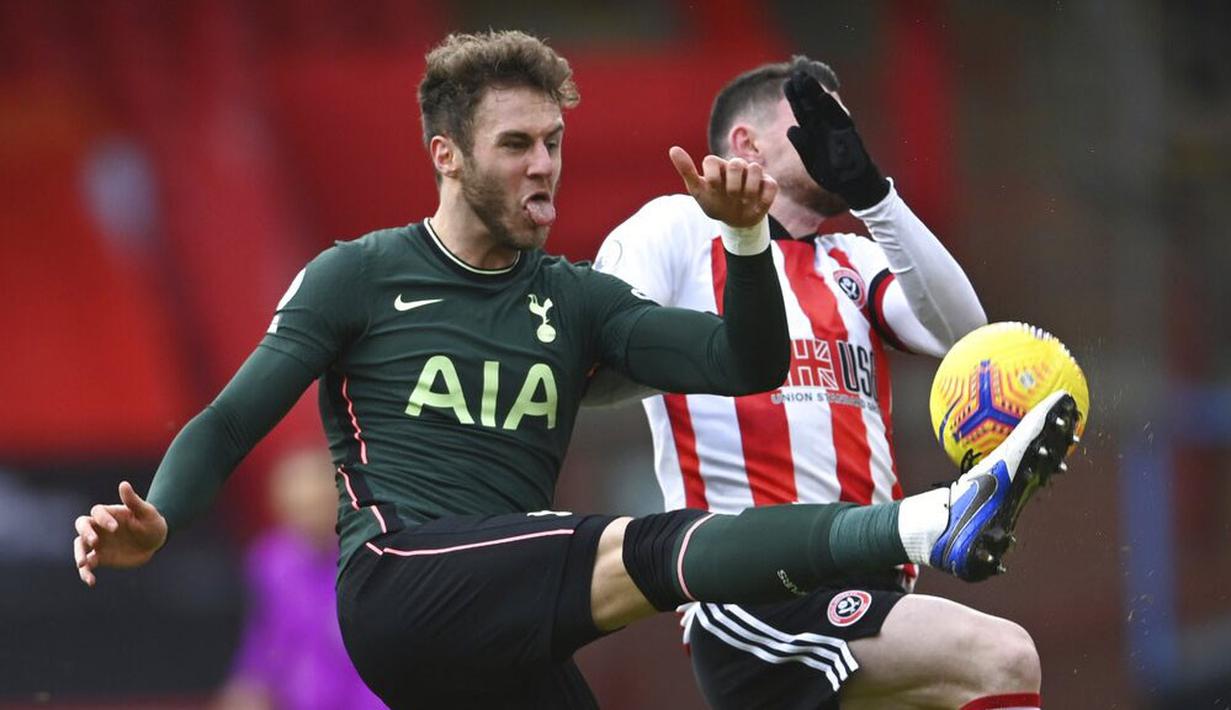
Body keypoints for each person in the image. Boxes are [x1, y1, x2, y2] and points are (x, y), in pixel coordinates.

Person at [73, 31, 1078, 709]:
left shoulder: (577, 299)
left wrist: (742, 243)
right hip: (400, 582)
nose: (544, 164)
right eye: (516, 143)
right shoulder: (359, 273)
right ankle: (928, 519)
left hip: (515, 621)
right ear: (447, 156)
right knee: (656, 541)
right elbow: (229, 415)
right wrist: (162, 510)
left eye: (553, 141)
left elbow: (744, 360)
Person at [592, 58, 1060, 710]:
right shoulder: (675, 227)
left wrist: (873, 191)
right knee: (1001, 656)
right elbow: (606, 337)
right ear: (745, 145)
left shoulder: (851, 259)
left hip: (879, 588)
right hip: (756, 589)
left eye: (842, 126)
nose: (834, 137)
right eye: (812, 122)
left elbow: (965, 336)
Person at [214, 447, 384, 710]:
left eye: (316, 503)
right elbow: (264, 646)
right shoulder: (270, 560)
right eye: (298, 506)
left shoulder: (373, 556)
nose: (308, 516)